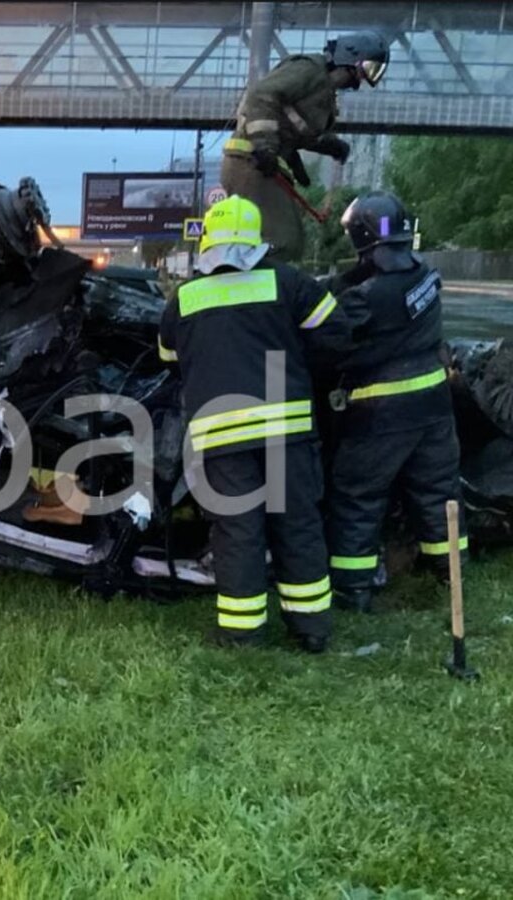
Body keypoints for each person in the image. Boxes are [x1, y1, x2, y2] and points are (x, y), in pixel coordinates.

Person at [158, 195, 350, 652]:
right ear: (257, 240)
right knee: (297, 523)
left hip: (221, 438)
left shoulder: (185, 298)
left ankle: (241, 633)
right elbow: (336, 336)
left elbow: (168, 358)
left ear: (207, 242)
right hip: (287, 430)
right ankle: (311, 630)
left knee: (237, 530)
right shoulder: (289, 283)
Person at [325, 191, 463, 612]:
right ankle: (450, 574)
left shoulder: (366, 298)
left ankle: (353, 589)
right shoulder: (425, 276)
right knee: (438, 492)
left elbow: (331, 341)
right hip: (435, 407)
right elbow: (377, 284)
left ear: (361, 237)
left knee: (357, 497)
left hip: (381, 413)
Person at [220, 31, 390, 262]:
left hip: (258, 164)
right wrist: (264, 146)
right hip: (250, 161)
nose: (356, 83)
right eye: (361, 72)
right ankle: (265, 295)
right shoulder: (310, 70)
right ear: (349, 58)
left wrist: (330, 145)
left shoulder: (323, 89)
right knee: (283, 242)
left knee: (287, 240)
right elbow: (262, 96)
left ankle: (260, 289)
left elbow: (294, 126)